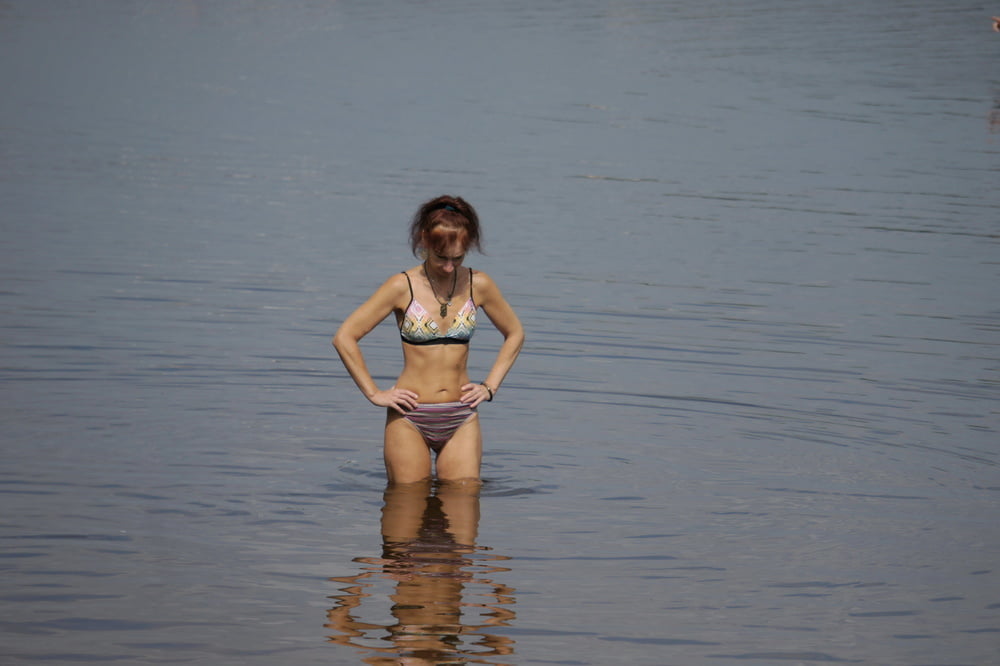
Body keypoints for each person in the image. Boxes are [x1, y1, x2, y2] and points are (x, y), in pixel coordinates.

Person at [333, 195, 524, 485]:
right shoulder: (401, 286)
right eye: (441, 257)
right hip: (410, 415)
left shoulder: (479, 284)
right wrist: (374, 393)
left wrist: (490, 387)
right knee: (405, 503)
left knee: (464, 499)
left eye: (457, 258)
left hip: (461, 416)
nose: (449, 267)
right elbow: (345, 337)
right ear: (424, 241)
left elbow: (515, 333)